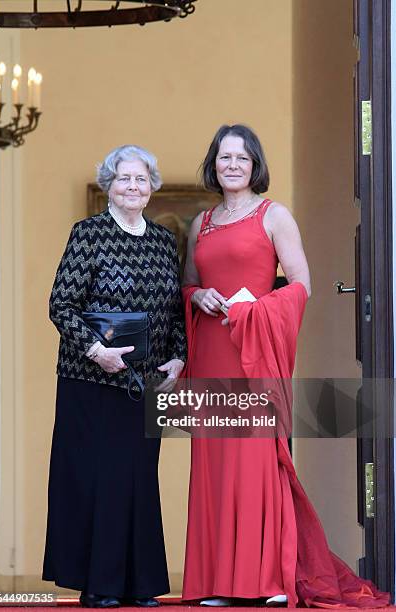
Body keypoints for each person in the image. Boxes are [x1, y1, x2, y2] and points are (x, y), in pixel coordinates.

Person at [181, 125, 390, 608]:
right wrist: (200, 295)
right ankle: (222, 584)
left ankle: (271, 579)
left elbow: (301, 285)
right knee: (215, 466)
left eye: (242, 158)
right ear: (213, 164)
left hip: (254, 349)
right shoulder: (202, 223)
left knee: (256, 462)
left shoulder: (274, 216)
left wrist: (251, 309)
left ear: (256, 165)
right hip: (213, 349)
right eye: (224, 157)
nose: (232, 165)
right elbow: (189, 285)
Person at [43, 144, 186, 608]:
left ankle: (140, 584)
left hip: (145, 382)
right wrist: (96, 350)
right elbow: (60, 305)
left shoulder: (165, 241)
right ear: (109, 184)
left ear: (151, 187)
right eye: (123, 178)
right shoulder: (88, 235)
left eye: (141, 179)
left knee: (140, 480)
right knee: (98, 478)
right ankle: (99, 585)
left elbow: (177, 311)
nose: (132, 186)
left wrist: (178, 358)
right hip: (92, 379)